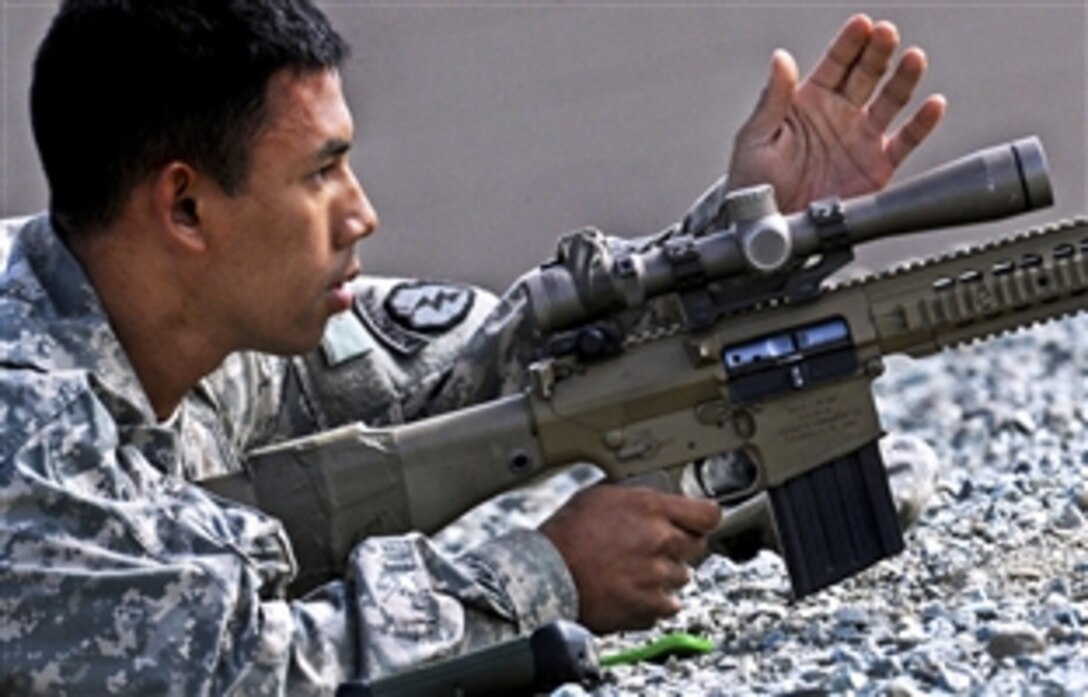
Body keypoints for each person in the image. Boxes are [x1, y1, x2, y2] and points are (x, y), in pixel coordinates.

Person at [0, 1, 944, 693]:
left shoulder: (189, 307)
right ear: (186, 207)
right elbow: (247, 670)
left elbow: (472, 363)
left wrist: (732, 242)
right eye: (321, 172)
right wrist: (547, 575)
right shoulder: (26, 432)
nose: (363, 210)